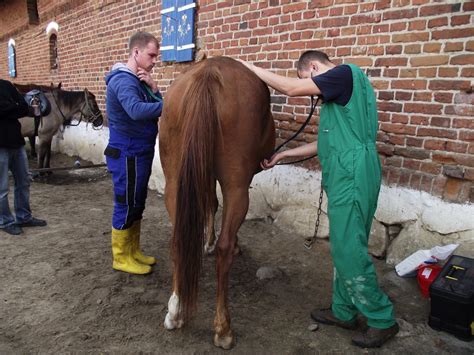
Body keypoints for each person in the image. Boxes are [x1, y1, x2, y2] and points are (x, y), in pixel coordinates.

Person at [239, 51, 399, 348]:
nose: (314, 90)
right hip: (352, 171)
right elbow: (326, 141)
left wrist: (248, 66)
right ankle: (343, 310)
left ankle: (381, 319)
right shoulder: (342, 94)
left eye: (309, 79)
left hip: (352, 175)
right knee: (344, 243)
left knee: (349, 247)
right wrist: (284, 155)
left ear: (314, 67)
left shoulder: (343, 74)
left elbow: (290, 88)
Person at [104, 31, 163, 275]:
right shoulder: (123, 80)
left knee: (137, 201)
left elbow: (151, 105)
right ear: (135, 52)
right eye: (151, 55)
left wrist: (155, 88)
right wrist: (170, 104)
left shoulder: (138, 79)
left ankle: (133, 251)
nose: (154, 60)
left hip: (139, 151)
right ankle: (121, 257)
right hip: (127, 152)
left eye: (156, 56)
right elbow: (137, 110)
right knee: (126, 203)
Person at [0, 79, 47, 236]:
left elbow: (24, 108)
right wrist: (15, 108)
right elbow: (13, 109)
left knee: (24, 181)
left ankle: (24, 217)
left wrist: (13, 108)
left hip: (16, 142)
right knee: (2, 188)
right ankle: (5, 221)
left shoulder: (6, 85)